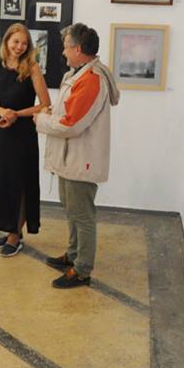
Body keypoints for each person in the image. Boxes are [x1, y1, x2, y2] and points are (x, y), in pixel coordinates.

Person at [33, 23, 120, 288]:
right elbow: (69, 115)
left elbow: (71, 124)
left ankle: (82, 270)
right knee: (72, 210)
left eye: (66, 47)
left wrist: (41, 120)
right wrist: (52, 117)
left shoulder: (91, 80)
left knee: (82, 215)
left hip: (81, 159)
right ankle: (73, 255)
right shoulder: (79, 75)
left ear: (78, 49)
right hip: (71, 158)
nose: (63, 52)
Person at [0, 23, 50, 256]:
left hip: (23, 133)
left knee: (20, 182)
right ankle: (11, 227)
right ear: (7, 41)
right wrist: (3, 112)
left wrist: (16, 114)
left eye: (24, 43)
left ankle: (15, 234)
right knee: (3, 180)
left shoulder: (32, 67)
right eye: (16, 41)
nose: (20, 46)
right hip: (2, 130)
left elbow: (45, 104)